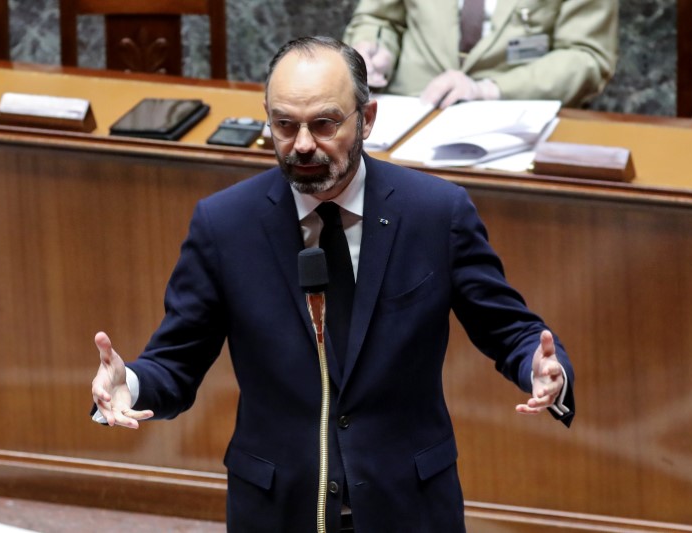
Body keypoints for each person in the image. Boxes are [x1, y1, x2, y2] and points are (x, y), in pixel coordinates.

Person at [91, 36, 574, 532]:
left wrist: (539, 369)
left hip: (408, 505)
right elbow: (177, 360)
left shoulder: (436, 213)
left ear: (366, 120)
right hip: (278, 509)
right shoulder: (225, 225)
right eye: (284, 124)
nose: (302, 144)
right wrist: (127, 383)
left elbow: (508, 330)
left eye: (324, 124)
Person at [343, 0, 618, 108]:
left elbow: (585, 56)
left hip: (513, 120)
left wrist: (486, 90)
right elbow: (380, 19)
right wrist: (373, 49)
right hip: (407, 112)